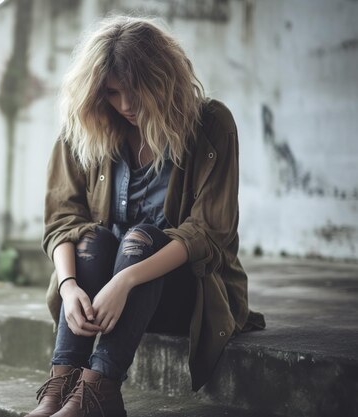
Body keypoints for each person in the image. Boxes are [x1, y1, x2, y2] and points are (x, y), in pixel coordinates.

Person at [24, 15, 265, 417]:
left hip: (183, 294)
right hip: (99, 296)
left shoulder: (210, 125)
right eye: (113, 93)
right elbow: (63, 218)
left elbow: (207, 233)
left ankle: (99, 389)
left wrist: (126, 279)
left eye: (137, 90)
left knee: (142, 237)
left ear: (164, 79)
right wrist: (68, 286)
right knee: (94, 238)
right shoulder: (89, 125)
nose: (126, 105)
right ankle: (60, 386)